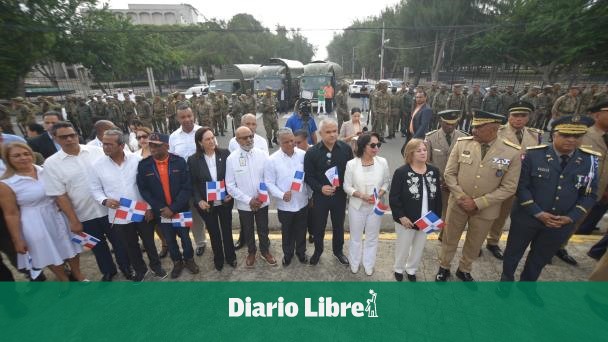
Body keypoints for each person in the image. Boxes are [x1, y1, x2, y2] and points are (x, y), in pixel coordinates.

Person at [501, 115, 597, 281]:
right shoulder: (533, 155)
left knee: (540, 257)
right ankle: (506, 280)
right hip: (527, 217)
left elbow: (589, 194)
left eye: (577, 136)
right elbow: (521, 186)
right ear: (554, 135)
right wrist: (538, 213)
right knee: (513, 253)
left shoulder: (590, 161)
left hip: (560, 221)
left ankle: (528, 285)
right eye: (566, 135)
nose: (571, 140)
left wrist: (571, 217)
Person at [436, 110, 522, 282]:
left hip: (486, 209)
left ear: (494, 128)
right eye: (474, 126)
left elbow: (509, 187)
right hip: (458, 205)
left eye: (479, 127)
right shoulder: (462, 144)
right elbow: (449, 174)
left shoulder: (511, 152)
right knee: (449, 238)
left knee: (475, 242)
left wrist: (478, 203)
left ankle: (464, 269)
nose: (473, 130)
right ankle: (444, 266)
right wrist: (462, 197)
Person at [42, 121, 131, 281]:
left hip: (110, 209)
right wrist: (73, 220)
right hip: (82, 214)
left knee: (120, 242)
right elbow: (60, 195)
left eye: (72, 135)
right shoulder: (51, 164)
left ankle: (126, 267)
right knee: (95, 246)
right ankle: (108, 271)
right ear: (55, 138)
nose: (69, 139)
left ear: (77, 135)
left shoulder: (97, 151)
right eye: (64, 137)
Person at [0, 142, 86, 281]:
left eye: (26, 153)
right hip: (33, 220)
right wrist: (17, 239)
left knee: (70, 244)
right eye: (17, 155)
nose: (23, 158)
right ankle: (63, 279)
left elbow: (61, 191)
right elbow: (11, 213)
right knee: (46, 250)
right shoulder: (6, 183)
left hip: (57, 213)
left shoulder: (45, 170)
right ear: (8, 159)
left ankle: (77, 274)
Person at [89, 129, 167, 281]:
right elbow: (95, 189)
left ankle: (156, 266)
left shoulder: (136, 160)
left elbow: (146, 186)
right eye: (104, 144)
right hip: (119, 213)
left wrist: (149, 207)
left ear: (121, 145)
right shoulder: (97, 166)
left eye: (109, 144)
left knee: (149, 242)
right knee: (130, 244)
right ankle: (140, 269)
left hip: (141, 210)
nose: (105, 147)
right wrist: (105, 200)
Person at [484, 101, 543, 260]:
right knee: (489, 213)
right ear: (509, 116)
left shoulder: (534, 135)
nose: (518, 119)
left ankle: (493, 241)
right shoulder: (499, 132)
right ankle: (479, 240)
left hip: (522, 182)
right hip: (499, 179)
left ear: (528, 117)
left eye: (523, 116)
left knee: (504, 214)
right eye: (515, 115)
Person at [137, 133, 200, 279]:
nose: (152, 148)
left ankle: (189, 260)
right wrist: (161, 208)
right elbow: (144, 190)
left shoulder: (179, 162)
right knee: (170, 239)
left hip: (180, 210)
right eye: (151, 145)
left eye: (157, 145)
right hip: (162, 212)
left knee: (185, 237)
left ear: (167, 146)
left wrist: (173, 208)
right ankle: (177, 262)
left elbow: (187, 187)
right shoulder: (144, 165)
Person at [390, 139, 442, 281]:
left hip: (427, 218)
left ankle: (411, 269)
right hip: (406, 219)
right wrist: (401, 216)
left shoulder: (434, 171)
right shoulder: (401, 172)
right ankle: (399, 269)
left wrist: (436, 218)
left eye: (424, 150)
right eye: (418, 150)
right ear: (410, 153)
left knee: (419, 247)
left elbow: (438, 197)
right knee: (403, 246)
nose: (423, 153)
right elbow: (394, 197)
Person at [304, 118, 354, 266]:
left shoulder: (345, 149)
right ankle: (318, 251)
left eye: (335, 131)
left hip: (339, 196)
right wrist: (320, 188)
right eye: (328, 132)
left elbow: (351, 172)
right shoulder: (312, 152)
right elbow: (308, 176)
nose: (332, 135)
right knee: (319, 226)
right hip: (320, 197)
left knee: (338, 226)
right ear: (320, 133)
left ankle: (338, 251)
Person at [226, 126, 276, 267]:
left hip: (262, 202)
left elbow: (268, 178)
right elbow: (230, 185)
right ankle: (251, 252)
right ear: (237, 140)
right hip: (244, 204)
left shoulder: (262, 154)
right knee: (248, 229)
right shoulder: (232, 159)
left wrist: (260, 198)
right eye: (244, 137)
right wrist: (249, 200)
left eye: (250, 136)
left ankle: (265, 251)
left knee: (263, 228)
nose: (248, 139)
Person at [188, 127, 236, 271]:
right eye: (207, 139)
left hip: (224, 201)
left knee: (227, 230)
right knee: (214, 232)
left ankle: (231, 256)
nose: (212, 141)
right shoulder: (193, 160)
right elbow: (193, 184)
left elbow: (232, 176)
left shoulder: (225, 153)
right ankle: (218, 258)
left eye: (212, 137)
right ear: (200, 142)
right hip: (207, 204)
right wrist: (198, 200)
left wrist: (230, 193)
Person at [343, 132, 390, 275]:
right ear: (363, 146)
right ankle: (354, 262)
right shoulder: (351, 164)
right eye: (373, 145)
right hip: (357, 206)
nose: (377, 148)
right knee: (356, 237)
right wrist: (362, 196)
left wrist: (378, 196)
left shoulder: (382, 162)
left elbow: (386, 183)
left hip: (375, 207)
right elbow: (347, 186)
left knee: (372, 237)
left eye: (378, 145)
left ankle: (368, 264)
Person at [265, 128, 310, 266]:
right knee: (287, 231)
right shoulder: (272, 160)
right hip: (285, 205)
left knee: (302, 229)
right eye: (286, 142)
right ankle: (288, 254)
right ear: (279, 142)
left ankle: (301, 252)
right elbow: (269, 183)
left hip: (302, 201)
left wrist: (311, 196)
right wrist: (281, 194)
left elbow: (308, 178)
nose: (290, 144)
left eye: (292, 141)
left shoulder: (303, 155)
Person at [168, 105, 207, 257]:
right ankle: (199, 243)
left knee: (207, 213)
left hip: (202, 182)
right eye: (183, 117)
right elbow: (172, 160)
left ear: (194, 115)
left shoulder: (203, 132)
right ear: (178, 119)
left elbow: (212, 151)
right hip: (183, 183)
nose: (187, 119)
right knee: (189, 215)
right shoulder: (173, 137)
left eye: (189, 116)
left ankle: (217, 240)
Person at [425, 110, 468, 222]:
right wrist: (440, 180)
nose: (450, 126)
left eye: (453, 124)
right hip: (437, 182)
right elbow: (427, 162)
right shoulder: (431, 138)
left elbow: (466, 163)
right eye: (447, 123)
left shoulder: (464, 137)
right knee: (434, 213)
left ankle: (445, 235)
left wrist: (452, 182)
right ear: (440, 121)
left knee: (453, 215)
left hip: (456, 184)